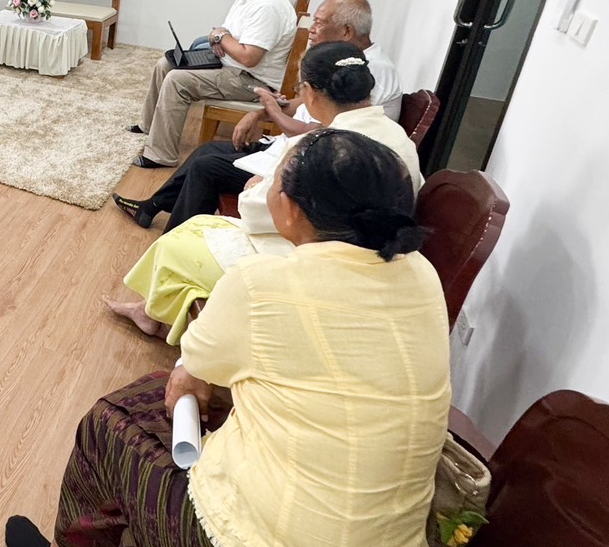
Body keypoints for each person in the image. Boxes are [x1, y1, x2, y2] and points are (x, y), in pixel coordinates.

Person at [7, 130, 449, 547]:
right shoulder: (422, 275)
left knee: (110, 421)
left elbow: (184, 387)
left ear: (293, 210)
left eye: (276, 182)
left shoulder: (263, 284)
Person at [104, 42, 424, 343]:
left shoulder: (324, 146)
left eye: (300, 88)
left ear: (310, 94)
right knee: (206, 179)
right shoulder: (396, 137)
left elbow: (259, 214)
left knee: (178, 243)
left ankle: (153, 312)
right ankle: (155, 305)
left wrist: (257, 185)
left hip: (312, 261)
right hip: (368, 257)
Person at [114, 0, 402, 229]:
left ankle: (173, 247)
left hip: (313, 167)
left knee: (206, 166)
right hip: (294, 147)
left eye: (319, 23)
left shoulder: (367, 71)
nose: (312, 30)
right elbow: (303, 107)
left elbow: (327, 135)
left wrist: (272, 115)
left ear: (346, 31)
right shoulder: (343, 61)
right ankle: (153, 208)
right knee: (205, 153)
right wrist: (260, 113)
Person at [130, 0, 296, 169]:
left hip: (250, 80)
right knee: (165, 64)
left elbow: (249, 57)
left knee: (177, 80)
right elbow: (223, 32)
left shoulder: (268, 6)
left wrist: (220, 37)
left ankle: (161, 155)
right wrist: (219, 36)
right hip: (229, 65)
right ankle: (149, 126)